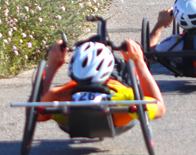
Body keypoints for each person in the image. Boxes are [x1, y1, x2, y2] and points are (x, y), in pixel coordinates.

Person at [38, 38, 166, 132]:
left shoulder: (59, 95)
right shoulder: (126, 98)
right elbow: (159, 107)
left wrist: (52, 67)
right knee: (126, 74)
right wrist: (139, 63)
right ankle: (119, 68)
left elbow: (36, 114)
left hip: (70, 118)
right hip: (117, 110)